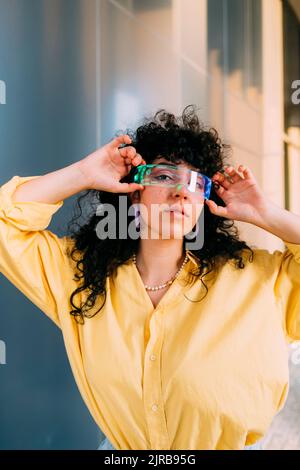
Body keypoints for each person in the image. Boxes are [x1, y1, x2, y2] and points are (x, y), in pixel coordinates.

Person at [1, 105, 300, 451]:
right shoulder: (79, 278)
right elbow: (5, 222)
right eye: (163, 176)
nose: (180, 192)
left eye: (194, 183)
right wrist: (83, 173)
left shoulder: (259, 279)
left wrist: (267, 214)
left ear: (204, 202)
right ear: (135, 191)